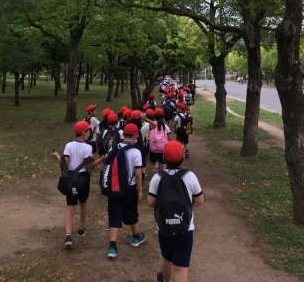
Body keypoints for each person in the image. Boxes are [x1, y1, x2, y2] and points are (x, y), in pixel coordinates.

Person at [148, 141, 204, 282]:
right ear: (182, 158)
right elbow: (200, 201)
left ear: (164, 158)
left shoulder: (157, 177)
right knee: (181, 267)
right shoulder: (190, 176)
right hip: (185, 228)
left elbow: (150, 202)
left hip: (164, 227)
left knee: (167, 258)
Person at [52, 121, 104, 249]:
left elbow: (65, 164)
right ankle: (81, 228)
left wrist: (58, 157)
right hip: (83, 180)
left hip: (71, 180)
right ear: (83, 133)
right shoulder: (88, 148)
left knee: (70, 206)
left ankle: (68, 235)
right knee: (83, 204)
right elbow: (88, 167)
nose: (89, 133)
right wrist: (100, 160)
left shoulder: (68, 145)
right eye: (88, 130)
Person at [105, 123, 146, 258]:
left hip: (114, 187)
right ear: (134, 135)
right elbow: (138, 174)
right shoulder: (136, 152)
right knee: (131, 212)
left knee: (114, 215)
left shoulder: (114, 147)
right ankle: (135, 237)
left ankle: (112, 247)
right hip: (129, 188)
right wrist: (140, 191)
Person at [149, 107, 171, 171]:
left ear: (154, 116)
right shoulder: (166, 126)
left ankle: (155, 172)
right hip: (163, 149)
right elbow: (169, 138)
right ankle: (162, 174)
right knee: (163, 163)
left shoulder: (151, 125)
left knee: (153, 163)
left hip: (153, 148)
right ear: (163, 117)